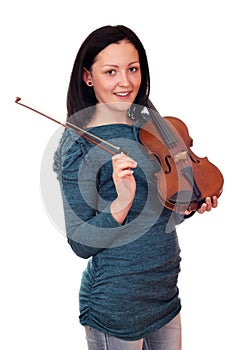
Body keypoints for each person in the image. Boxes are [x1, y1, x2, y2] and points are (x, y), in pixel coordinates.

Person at [53, 25, 218, 350]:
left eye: (133, 69)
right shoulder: (78, 143)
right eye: (111, 71)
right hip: (117, 305)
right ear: (88, 77)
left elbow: (162, 212)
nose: (125, 82)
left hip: (165, 295)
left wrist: (187, 204)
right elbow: (80, 243)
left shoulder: (150, 124)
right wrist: (121, 203)